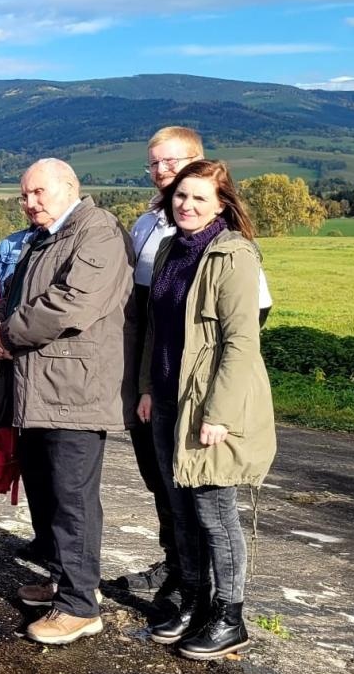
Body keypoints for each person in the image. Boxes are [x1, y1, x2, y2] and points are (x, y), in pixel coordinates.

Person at [0, 158, 133, 646]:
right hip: (38, 389)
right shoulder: (44, 239)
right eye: (24, 195)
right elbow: (11, 294)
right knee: (45, 493)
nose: (30, 203)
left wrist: (6, 333)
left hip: (74, 391)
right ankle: (59, 582)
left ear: (71, 187)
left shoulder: (98, 233)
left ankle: (80, 606)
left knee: (72, 500)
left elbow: (70, 303)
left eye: (39, 193)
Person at [117, 126, 274, 598]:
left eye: (173, 162)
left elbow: (245, 328)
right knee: (162, 482)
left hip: (196, 380)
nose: (163, 173)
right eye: (156, 164)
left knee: (205, 497)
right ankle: (180, 572)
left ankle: (214, 598)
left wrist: (215, 396)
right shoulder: (151, 229)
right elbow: (147, 314)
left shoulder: (229, 248)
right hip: (154, 373)